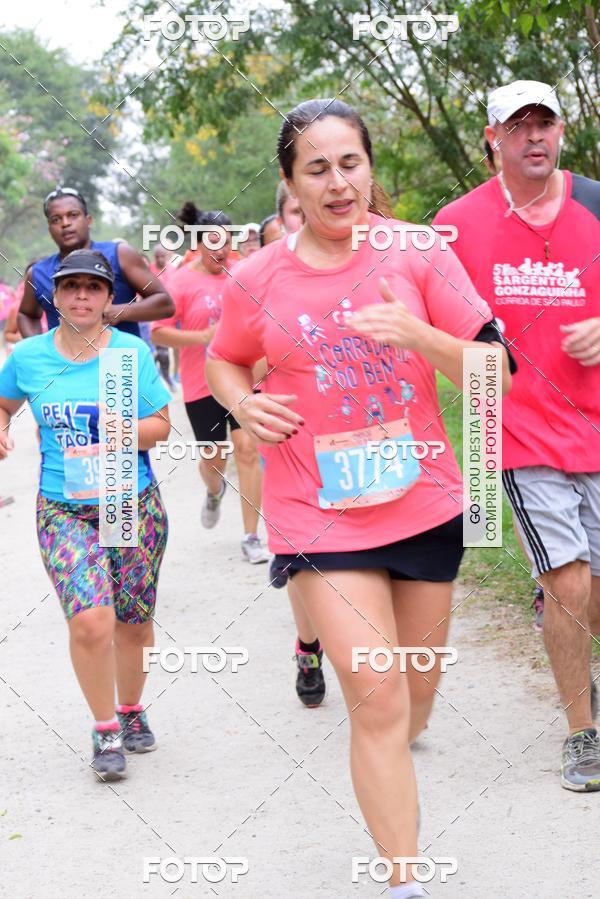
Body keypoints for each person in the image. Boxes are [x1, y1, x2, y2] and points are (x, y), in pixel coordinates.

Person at [206, 98, 511, 895]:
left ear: (369, 169)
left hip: (423, 502)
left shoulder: (418, 253)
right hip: (317, 512)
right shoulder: (257, 276)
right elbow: (225, 358)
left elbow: (493, 376)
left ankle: (395, 773)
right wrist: (242, 403)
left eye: (351, 163)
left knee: (412, 696)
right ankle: (404, 877)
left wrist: (421, 336)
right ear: (290, 182)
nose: (338, 182)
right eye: (317, 168)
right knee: (375, 697)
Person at [433, 79, 600, 791]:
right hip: (522, 429)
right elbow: (431, 319)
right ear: (492, 138)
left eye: (546, 123)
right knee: (565, 580)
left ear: (561, 131)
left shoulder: (596, 202)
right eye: (519, 125)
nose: (535, 136)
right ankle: (581, 732)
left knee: (591, 584)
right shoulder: (456, 223)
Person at [0, 249, 171, 780]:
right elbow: (4, 404)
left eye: (92, 288)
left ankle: (131, 707)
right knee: (91, 621)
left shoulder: (127, 354)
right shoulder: (29, 357)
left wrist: (113, 435)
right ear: (55, 295)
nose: (80, 296)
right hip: (64, 509)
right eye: (70, 286)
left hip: (128, 500)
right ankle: (105, 729)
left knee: (134, 624)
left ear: (108, 297)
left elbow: (161, 425)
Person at [152, 208, 270, 563]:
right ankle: (215, 491)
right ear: (198, 243)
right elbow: (159, 331)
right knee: (214, 459)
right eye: (213, 241)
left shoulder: (244, 273)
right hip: (201, 384)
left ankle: (251, 535)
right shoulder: (180, 282)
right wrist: (201, 336)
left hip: (244, 379)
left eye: (227, 239)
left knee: (248, 450)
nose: (222, 249)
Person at [17, 187, 174, 338]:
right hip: (65, 362)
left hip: (117, 357)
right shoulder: (38, 273)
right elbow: (26, 314)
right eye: (56, 219)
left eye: (73, 215)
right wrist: (40, 351)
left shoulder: (120, 254)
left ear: (88, 220)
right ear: (50, 228)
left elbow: (165, 304)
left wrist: (118, 311)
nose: (65, 223)